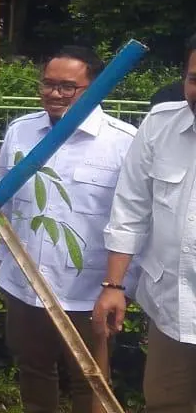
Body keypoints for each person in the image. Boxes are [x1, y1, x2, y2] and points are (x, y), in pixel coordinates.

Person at [0, 46, 138, 413]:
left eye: (68, 87)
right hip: (24, 284)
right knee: (33, 369)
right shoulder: (22, 131)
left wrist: (121, 286)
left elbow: (133, 217)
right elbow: (2, 200)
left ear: (94, 88)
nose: (55, 94)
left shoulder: (123, 142)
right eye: (48, 84)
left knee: (90, 379)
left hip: (88, 291)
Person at [95, 33, 196, 413]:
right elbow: (130, 208)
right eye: (194, 78)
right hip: (174, 308)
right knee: (166, 403)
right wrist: (113, 285)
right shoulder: (160, 125)